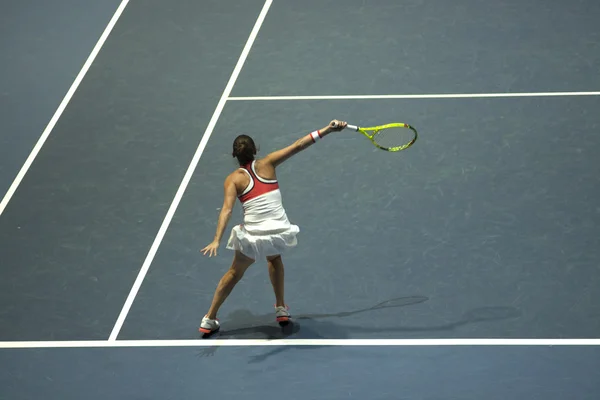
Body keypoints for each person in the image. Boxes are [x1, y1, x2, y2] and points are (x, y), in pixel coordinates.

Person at [199, 119, 348, 335]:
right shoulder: (268, 162)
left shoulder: (232, 179)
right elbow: (299, 144)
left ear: (235, 155)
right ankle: (280, 308)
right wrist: (329, 129)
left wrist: (216, 239)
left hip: (253, 237)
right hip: (279, 233)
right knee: (274, 258)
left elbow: (227, 211)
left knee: (234, 272)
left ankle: (209, 318)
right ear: (255, 150)